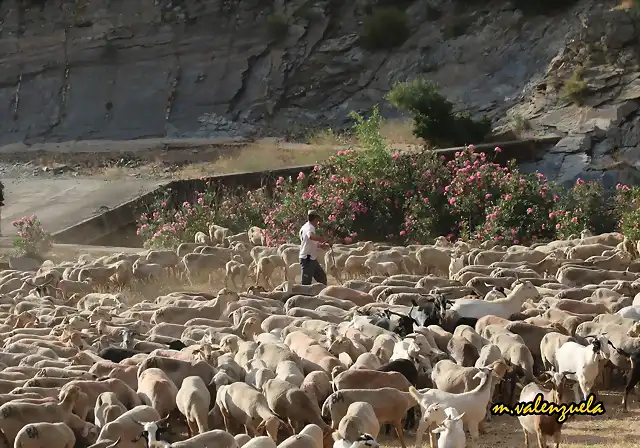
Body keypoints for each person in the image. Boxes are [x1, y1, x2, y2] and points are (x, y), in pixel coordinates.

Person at [299, 210, 329, 285]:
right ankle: (303, 296)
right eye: (318, 220)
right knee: (306, 284)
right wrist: (322, 238)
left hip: (312, 259)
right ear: (315, 219)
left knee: (322, 278)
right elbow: (310, 237)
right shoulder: (309, 228)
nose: (318, 223)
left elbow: (308, 242)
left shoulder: (305, 227)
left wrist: (320, 245)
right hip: (307, 259)